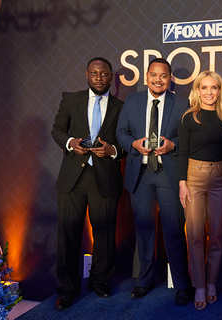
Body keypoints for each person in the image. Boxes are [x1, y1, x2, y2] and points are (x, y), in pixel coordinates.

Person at [51, 57, 126, 310]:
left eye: (104, 74)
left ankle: (100, 280)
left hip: (105, 177)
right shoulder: (71, 99)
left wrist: (113, 150)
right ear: (87, 75)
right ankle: (68, 288)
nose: (99, 77)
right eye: (94, 73)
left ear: (110, 77)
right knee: (68, 235)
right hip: (73, 177)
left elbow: (127, 141)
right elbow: (57, 130)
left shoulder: (121, 106)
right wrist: (71, 143)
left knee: (104, 233)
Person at [116, 58, 192, 305]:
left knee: (174, 231)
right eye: (153, 75)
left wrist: (173, 145)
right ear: (146, 77)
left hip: (168, 174)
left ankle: (182, 285)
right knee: (144, 231)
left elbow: (188, 138)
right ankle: (144, 280)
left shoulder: (181, 103)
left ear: (170, 79)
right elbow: (120, 133)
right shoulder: (133, 101)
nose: (158, 79)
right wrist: (134, 144)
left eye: (163, 76)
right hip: (141, 174)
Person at [177, 71, 222, 311]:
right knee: (196, 234)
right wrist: (182, 183)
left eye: (214, 87)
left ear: (220, 90)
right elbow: (182, 152)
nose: (209, 92)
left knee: (217, 235)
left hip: (221, 178)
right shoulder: (189, 118)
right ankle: (198, 285)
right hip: (194, 178)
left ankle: (211, 282)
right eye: (204, 87)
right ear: (197, 90)